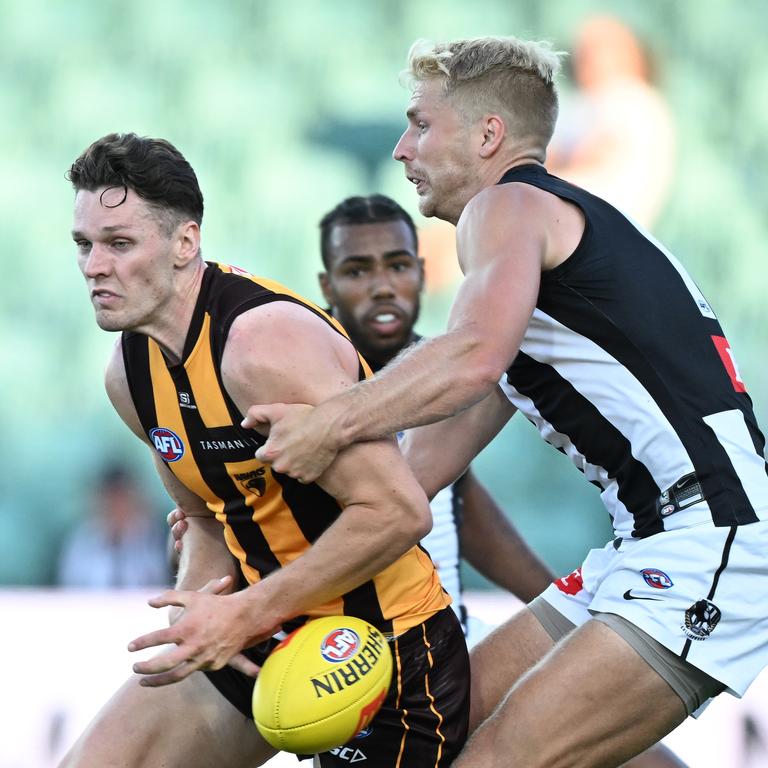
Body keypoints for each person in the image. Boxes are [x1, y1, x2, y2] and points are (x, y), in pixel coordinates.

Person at [246, 36, 768, 768]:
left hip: (707, 540)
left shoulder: (508, 205)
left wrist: (328, 421)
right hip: (656, 539)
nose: (401, 149)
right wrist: (257, 528)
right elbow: (417, 472)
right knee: (431, 731)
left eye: (421, 125)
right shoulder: (531, 262)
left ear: (489, 135)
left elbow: (469, 359)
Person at [59, 132, 469, 768]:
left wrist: (243, 614)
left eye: (119, 243)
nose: (93, 266)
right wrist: (196, 611)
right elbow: (204, 516)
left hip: (383, 650)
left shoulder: (261, 343)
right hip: (262, 633)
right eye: (84, 245)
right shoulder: (128, 372)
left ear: (184, 243)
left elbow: (398, 512)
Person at [317, 193, 554, 639]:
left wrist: (554, 601)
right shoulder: (303, 376)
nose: (382, 286)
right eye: (357, 271)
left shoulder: (450, 372)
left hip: (447, 632)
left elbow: (460, 504)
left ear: (422, 274)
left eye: (398, 266)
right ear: (327, 286)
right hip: (340, 645)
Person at [546, 15, 676, 230]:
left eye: (598, 48)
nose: (586, 57)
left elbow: (586, 155)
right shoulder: (588, 103)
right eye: (584, 50)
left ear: (632, 54)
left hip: (583, 229)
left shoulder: (633, 100)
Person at [56, 463, 170, 589]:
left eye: (122, 499)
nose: (118, 507)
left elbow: (160, 581)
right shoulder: (81, 540)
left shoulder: (157, 538)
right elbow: (69, 586)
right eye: (112, 500)